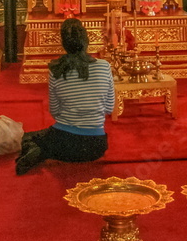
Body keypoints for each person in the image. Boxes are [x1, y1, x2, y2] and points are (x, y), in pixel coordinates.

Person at [15, 18, 114, 175]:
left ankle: (41, 151)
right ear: (86, 40)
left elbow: (54, 111)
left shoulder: (57, 69)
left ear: (64, 43)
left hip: (63, 143)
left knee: (28, 137)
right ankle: (43, 150)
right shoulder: (104, 66)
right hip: (96, 146)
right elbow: (109, 107)